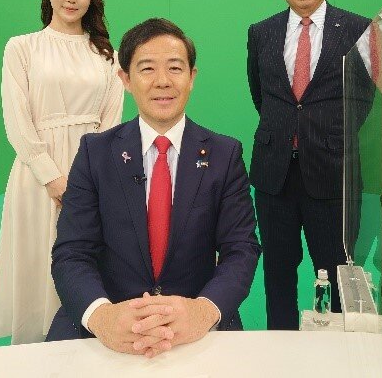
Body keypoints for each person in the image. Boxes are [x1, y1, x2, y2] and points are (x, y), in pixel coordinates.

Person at [46, 18, 260, 357]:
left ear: (192, 77)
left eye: (175, 68)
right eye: (147, 69)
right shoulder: (95, 152)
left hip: (194, 321)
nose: (163, 81)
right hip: (109, 317)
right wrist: (102, 317)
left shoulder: (225, 154)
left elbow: (241, 249)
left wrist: (202, 311)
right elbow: (72, 252)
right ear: (125, 80)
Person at [0, 0, 124, 344]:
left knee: (87, 268)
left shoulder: (107, 55)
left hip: (91, 176)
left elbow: (110, 124)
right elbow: (17, 118)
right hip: (37, 177)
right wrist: (51, 177)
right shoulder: (22, 48)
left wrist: (89, 182)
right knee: (40, 266)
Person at [246, 0, 375, 329]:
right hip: (275, 175)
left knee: (336, 274)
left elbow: (364, 99)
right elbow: (262, 96)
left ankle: (335, 353)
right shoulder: (261, 32)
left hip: (333, 174)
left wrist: (326, 137)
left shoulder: (359, 29)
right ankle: (280, 347)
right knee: (277, 274)